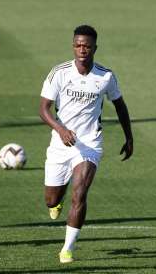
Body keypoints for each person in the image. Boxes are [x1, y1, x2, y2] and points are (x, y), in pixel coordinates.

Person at [39, 25, 133, 263]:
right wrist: (60, 129)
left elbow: (120, 106)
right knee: (51, 198)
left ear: (94, 48)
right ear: (73, 46)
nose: (82, 49)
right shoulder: (59, 73)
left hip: (90, 143)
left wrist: (129, 137)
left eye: (87, 46)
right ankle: (55, 203)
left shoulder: (106, 76)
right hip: (61, 144)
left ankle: (67, 249)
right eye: (78, 45)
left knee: (79, 194)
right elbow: (43, 109)